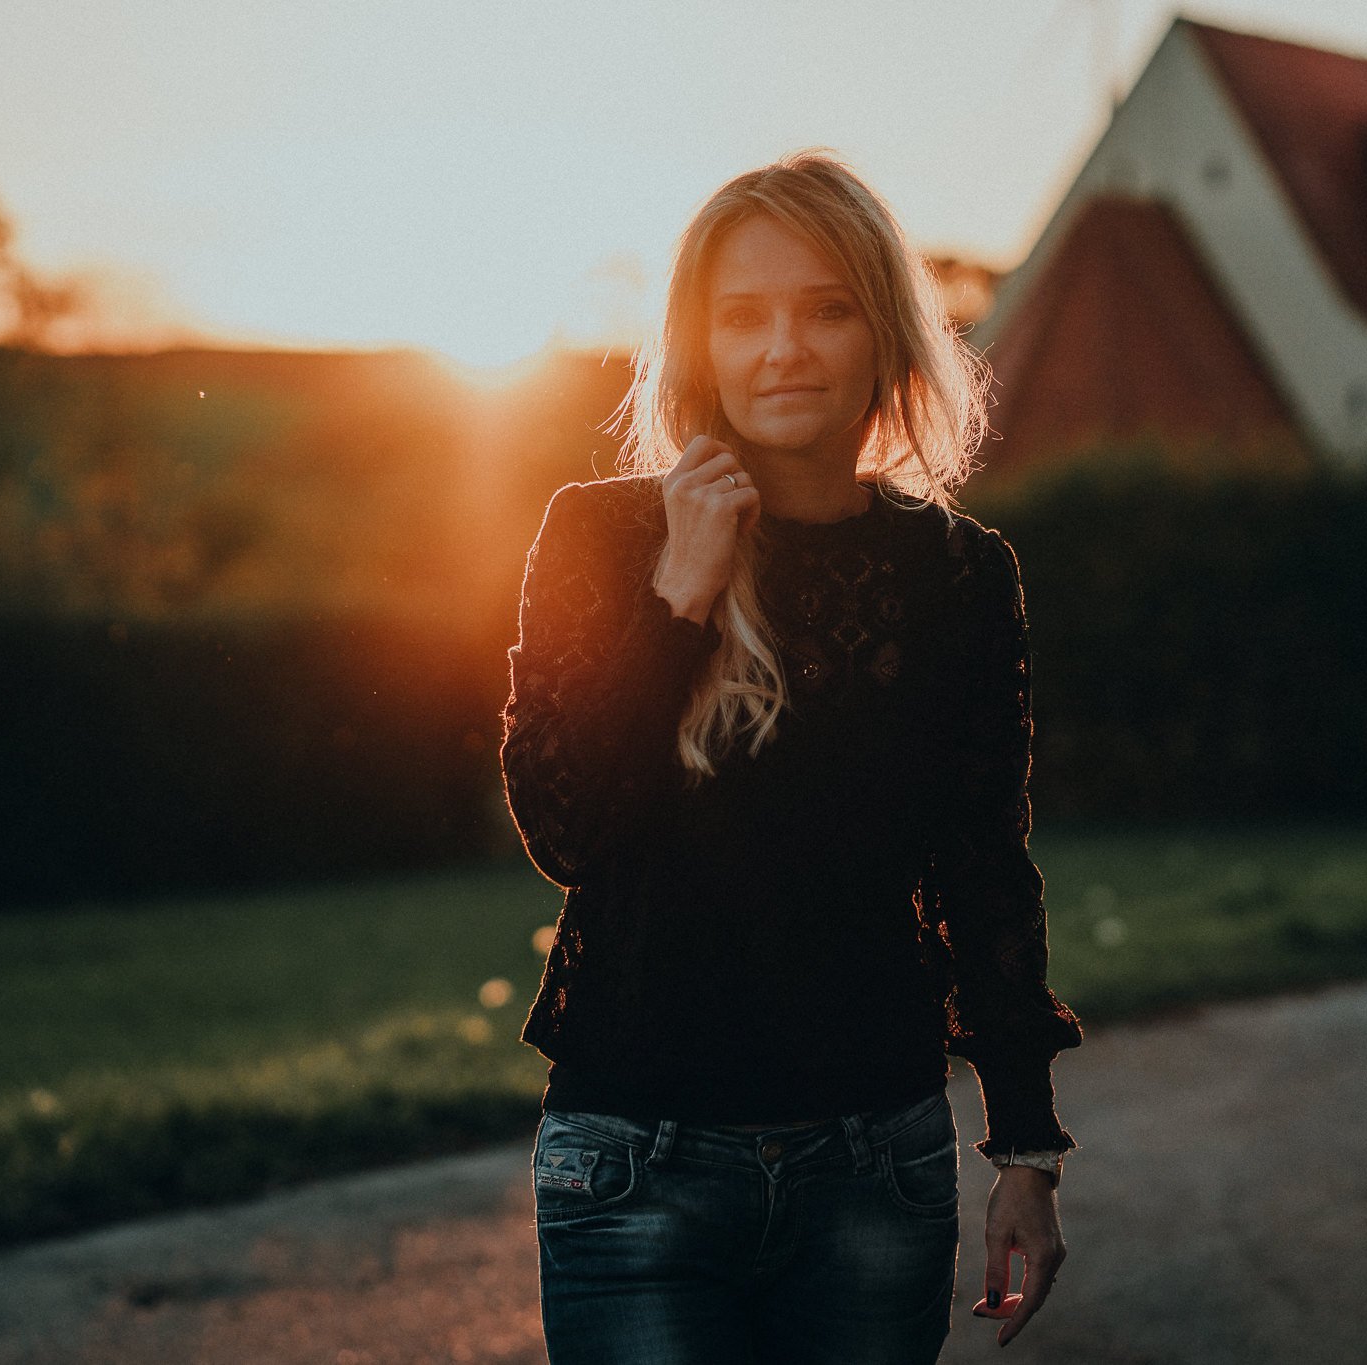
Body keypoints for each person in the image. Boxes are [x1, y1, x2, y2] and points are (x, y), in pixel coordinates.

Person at [500, 149, 1083, 1364]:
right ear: (697, 343)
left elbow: (981, 868)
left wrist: (1024, 1145)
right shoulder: (603, 535)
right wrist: (678, 598)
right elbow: (567, 826)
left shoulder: (961, 577)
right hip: (635, 1162)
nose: (784, 350)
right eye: (743, 315)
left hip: (876, 1163)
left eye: (825, 310)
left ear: (882, 333)